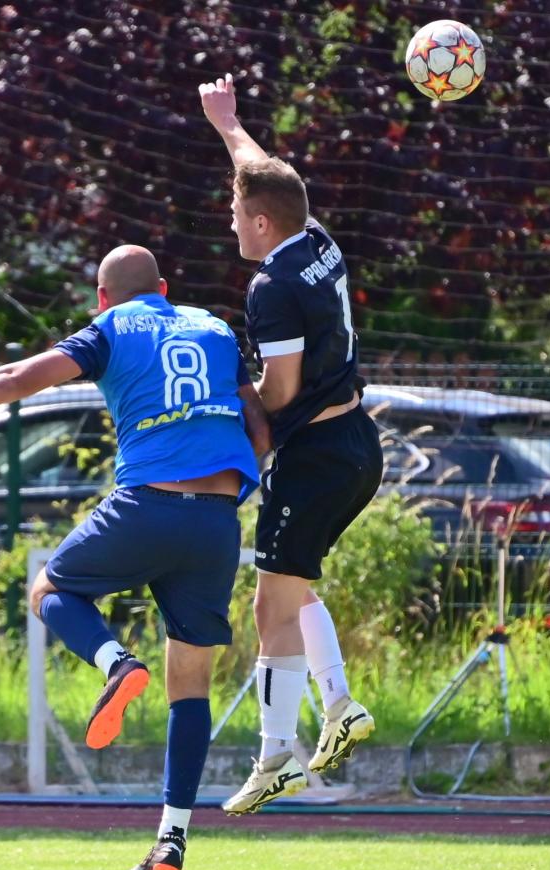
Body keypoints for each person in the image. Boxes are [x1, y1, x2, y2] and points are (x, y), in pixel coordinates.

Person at [0, 245, 267, 870]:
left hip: (148, 503)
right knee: (191, 683)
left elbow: (17, 378)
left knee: (49, 588)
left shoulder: (111, 327)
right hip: (219, 521)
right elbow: (260, 426)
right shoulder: (217, 330)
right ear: (164, 288)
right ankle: (172, 836)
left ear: (102, 298)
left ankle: (116, 663)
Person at [198, 73, 384, 815]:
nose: (230, 223)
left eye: (235, 214)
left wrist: (235, 396)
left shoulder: (271, 288)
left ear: (261, 223)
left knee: (272, 605)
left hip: (314, 457)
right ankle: (321, 719)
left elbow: (279, 390)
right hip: (357, 444)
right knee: (287, 593)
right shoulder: (316, 237)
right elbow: (269, 177)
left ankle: (290, 747)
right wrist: (227, 125)